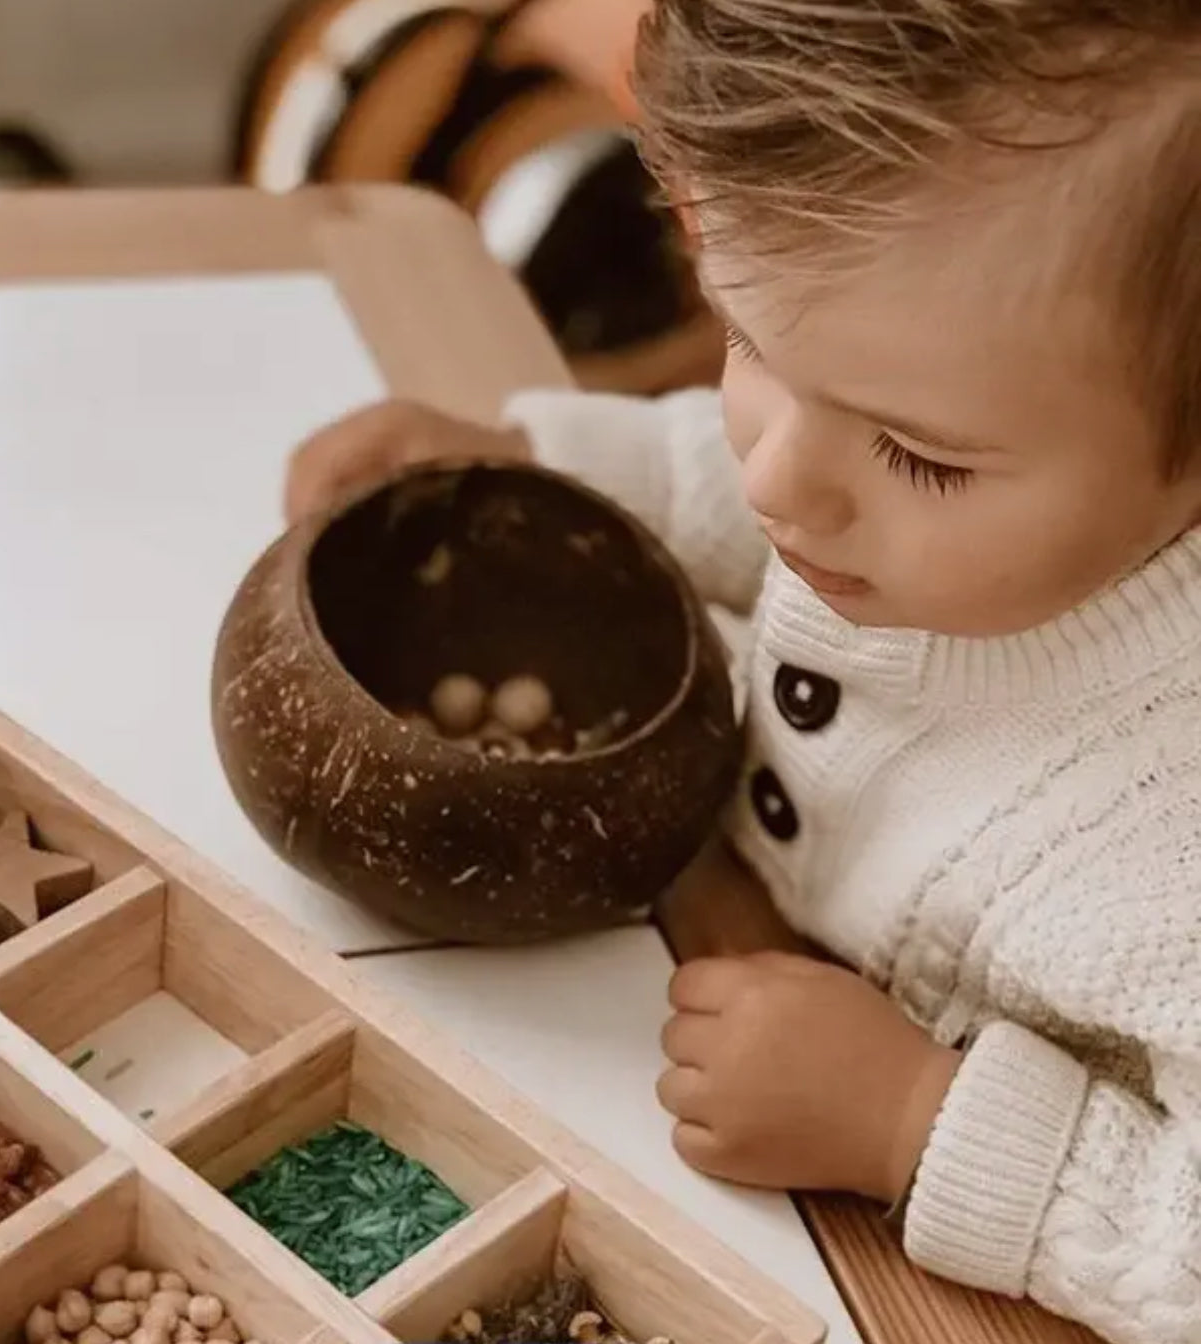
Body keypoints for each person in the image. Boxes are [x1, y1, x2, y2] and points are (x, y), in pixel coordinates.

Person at [283, 3, 1201, 1340]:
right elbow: (759, 473)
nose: (777, 479)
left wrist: (916, 1119)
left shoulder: (1168, 852)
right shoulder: (906, 430)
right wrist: (548, 465)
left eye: (920, 457)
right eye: (745, 341)